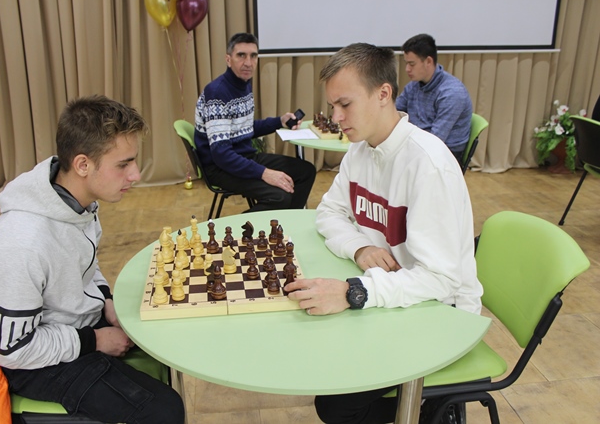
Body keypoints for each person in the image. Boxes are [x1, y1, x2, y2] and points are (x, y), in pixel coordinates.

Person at [284, 43, 483, 424]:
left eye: (345, 104)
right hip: (397, 297)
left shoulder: (427, 165)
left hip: (440, 314)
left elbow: (441, 280)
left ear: (383, 94)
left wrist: (354, 291)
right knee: (316, 354)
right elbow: (329, 212)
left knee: (336, 406)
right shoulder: (361, 150)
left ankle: (432, 410)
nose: (336, 117)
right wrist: (359, 248)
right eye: (332, 106)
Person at [0, 96, 185, 424]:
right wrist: (93, 341)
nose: (135, 175)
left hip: (76, 324)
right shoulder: (20, 244)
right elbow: (9, 349)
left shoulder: (78, 204)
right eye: (123, 164)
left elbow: (85, 266)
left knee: (169, 329)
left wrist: (106, 300)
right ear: (83, 165)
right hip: (35, 362)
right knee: (164, 410)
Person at [194, 32, 316, 212]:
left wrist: (279, 121)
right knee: (279, 197)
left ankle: (284, 223)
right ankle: (241, 229)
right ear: (228, 59)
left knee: (306, 171)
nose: (248, 63)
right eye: (241, 55)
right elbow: (221, 153)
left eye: (253, 56)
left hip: (242, 157)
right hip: (220, 167)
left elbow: (245, 128)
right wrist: (264, 173)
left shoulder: (243, 84)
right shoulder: (217, 93)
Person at [396, 33, 473, 162]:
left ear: (428, 62)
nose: (407, 69)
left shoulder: (452, 93)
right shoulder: (413, 86)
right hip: (419, 142)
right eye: (406, 63)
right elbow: (394, 112)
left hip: (445, 153)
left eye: (412, 64)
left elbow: (436, 139)